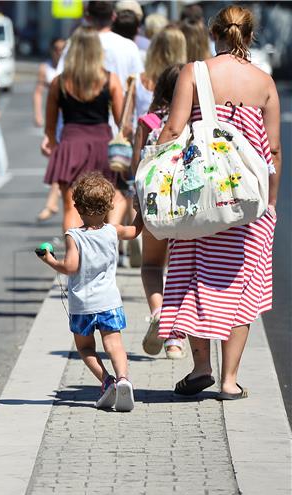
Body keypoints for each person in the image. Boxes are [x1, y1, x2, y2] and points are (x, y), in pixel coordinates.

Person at [156, 5, 280, 400]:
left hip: (201, 200)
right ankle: (229, 381)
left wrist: (153, 175)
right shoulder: (265, 82)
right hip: (248, 203)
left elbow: (174, 129)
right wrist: (271, 204)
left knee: (195, 278)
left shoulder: (195, 72)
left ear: (214, 34)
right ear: (250, 35)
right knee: (241, 287)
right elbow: (273, 150)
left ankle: (201, 367)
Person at [36, 172, 143, 411]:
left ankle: (107, 381)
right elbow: (136, 231)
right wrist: (140, 209)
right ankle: (124, 378)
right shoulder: (113, 231)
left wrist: (50, 261)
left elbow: (71, 267)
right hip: (109, 301)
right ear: (109, 206)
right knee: (114, 344)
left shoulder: (74, 236)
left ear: (77, 206)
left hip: (83, 304)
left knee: (85, 348)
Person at [43, 26, 124, 232]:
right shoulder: (109, 79)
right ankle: (101, 253)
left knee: (71, 207)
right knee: (102, 206)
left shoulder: (59, 82)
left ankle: (73, 256)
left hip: (71, 144)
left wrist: (52, 145)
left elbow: (50, 127)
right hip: (101, 145)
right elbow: (122, 121)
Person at [130, 64, 186, 359]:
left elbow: (135, 168)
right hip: (189, 208)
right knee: (183, 270)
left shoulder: (148, 121)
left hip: (155, 206)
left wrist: (136, 207)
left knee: (152, 266)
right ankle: (175, 340)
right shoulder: (196, 121)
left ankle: (157, 312)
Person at [33, 37, 66, 223]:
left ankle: (52, 203)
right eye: (56, 48)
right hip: (57, 117)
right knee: (58, 159)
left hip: (69, 117)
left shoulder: (70, 65)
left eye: (63, 48)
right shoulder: (45, 68)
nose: (59, 51)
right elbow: (38, 92)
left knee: (59, 160)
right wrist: (39, 114)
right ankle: (52, 202)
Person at [134, 26, 187, 119]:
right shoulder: (186, 81)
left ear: (154, 48)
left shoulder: (138, 79)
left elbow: (127, 122)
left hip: (142, 130)